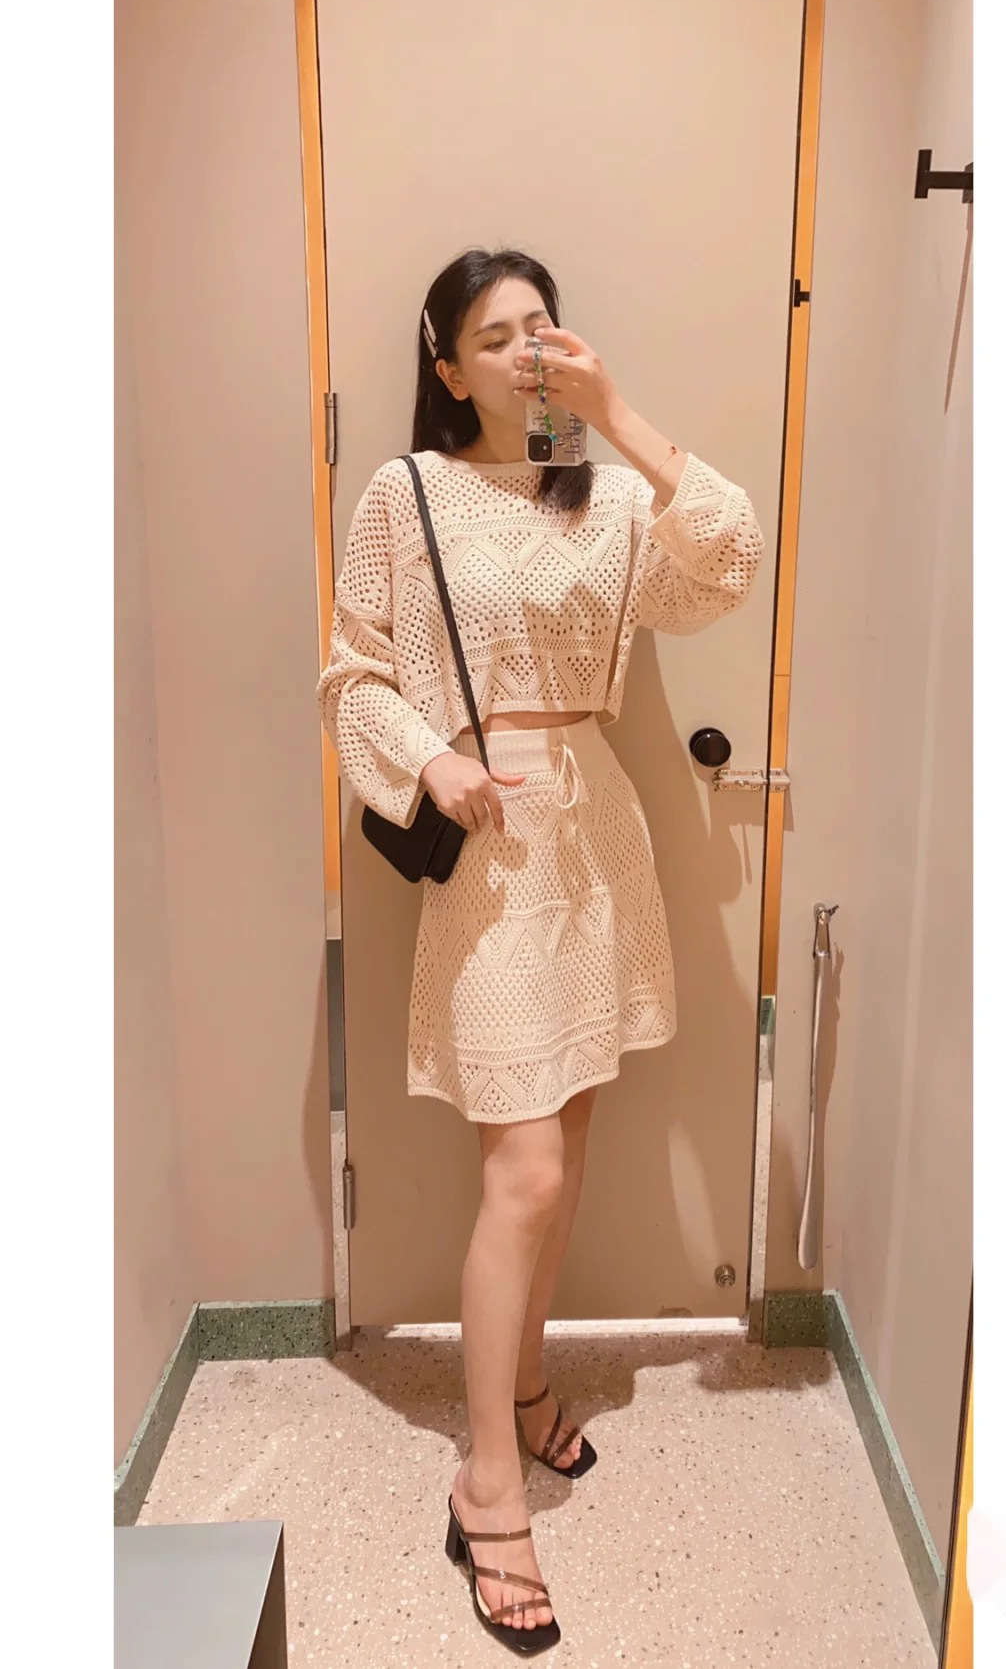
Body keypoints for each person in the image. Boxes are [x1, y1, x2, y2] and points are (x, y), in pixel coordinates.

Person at [317, 247, 764, 1654]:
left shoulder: (607, 494)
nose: (526, 352)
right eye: (496, 335)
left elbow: (730, 559)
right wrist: (430, 764)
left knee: (566, 1151)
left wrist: (616, 414)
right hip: (490, 841)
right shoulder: (407, 494)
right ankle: (487, 1482)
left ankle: (518, 1393)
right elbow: (350, 672)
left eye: (544, 328)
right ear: (448, 366)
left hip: (597, 841)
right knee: (523, 1172)